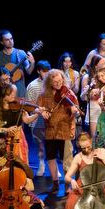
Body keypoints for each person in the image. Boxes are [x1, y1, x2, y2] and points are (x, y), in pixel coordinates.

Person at [36, 68, 78, 196]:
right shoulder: (44, 95)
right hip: (50, 131)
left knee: (67, 160)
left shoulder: (68, 93)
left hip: (65, 130)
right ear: (50, 82)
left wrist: (74, 110)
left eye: (60, 81)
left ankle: (67, 185)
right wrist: (42, 112)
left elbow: (74, 107)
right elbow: (38, 108)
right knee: (51, 158)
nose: (59, 84)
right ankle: (55, 183)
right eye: (55, 82)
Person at [0, 29, 36, 98]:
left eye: (11, 39)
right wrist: (2, 74)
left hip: (19, 92)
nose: (11, 41)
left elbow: (29, 71)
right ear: (1, 42)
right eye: (7, 40)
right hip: (3, 94)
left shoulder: (21, 53)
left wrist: (32, 63)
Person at [26, 60, 51, 177]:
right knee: (40, 144)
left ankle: (53, 166)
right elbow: (29, 105)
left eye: (48, 71)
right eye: (44, 71)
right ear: (38, 71)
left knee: (51, 144)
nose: (46, 74)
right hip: (37, 120)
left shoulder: (53, 83)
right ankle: (41, 163)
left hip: (51, 120)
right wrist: (38, 111)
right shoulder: (32, 85)